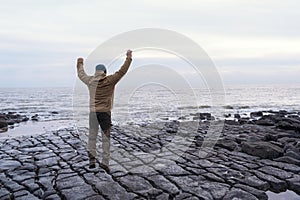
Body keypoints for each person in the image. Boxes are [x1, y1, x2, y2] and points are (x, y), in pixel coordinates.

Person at [76, 50, 133, 172]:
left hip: (93, 114)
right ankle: (105, 162)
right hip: (105, 114)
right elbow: (122, 71)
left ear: (96, 72)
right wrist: (129, 58)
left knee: (92, 137)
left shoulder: (90, 81)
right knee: (105, 138)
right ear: (104, 72)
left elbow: (81, 74)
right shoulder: (110, 80)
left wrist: (80, 62)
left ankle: (91, 161)